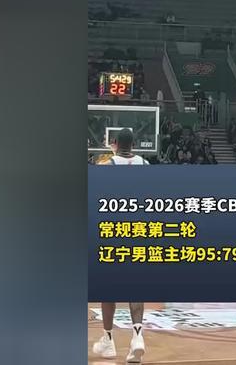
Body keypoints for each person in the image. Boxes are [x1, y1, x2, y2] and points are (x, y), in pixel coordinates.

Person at [92, 129, 147, 361]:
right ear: (134, 144)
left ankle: (108, 340)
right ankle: (137, 336)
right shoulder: (145, 164)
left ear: (114, 143)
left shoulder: (107, 165)